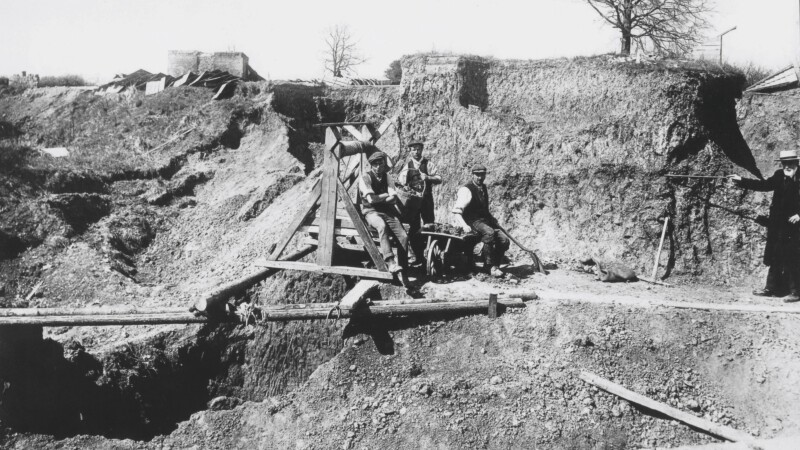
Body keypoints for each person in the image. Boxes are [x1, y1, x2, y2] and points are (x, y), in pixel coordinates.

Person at [729, 150, 800, 302]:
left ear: (796, 163)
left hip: (795, 227)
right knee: (775, 255)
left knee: (792, 258)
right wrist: (741, 180)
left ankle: (796, 292)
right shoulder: (779, 175)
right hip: (778, 225)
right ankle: (770, 288)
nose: (786, 166)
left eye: (790, 163)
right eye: (784, 163)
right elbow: (764, 185)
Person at [452, 164, 509, 278]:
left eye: (482, 175)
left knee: (504, 240)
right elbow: (457, 212)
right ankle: (488, 266)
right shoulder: (466, 190)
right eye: (477, 175)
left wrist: (491, 218)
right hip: (471, 222)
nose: (480, 177)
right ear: (472, 175)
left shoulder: (483, 187)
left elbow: (483, 209)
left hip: (484, 221)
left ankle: (495, 266)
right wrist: (464, 226)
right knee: (489, 233)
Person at [359, 150, 408, 274]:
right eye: (375, 164)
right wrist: (386, 195)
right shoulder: (365, 178)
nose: (378, 166)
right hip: (371, 212)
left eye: (380, 163)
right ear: (371, 165)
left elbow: (394, 198)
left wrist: (381, 198)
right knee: (381, 226)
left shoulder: (387, 177)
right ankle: (390, 262)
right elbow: (371, 199)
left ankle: (403, 265)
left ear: (384, 164)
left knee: (403, 236)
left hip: (387, 211)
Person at [399, 139, 442, 264]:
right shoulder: (407, 167)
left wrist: (428, 177)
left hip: (427, 200)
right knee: (414, 228)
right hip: (413, 202)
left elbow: (439, 178)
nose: (416, 152)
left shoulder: (428, 164)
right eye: (414, 149)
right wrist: (406, 188)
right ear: (410, 151)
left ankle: (432, 254)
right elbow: (400, 184)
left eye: (418, 149)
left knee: (430, 225)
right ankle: (418, 256)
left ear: (422, 150)